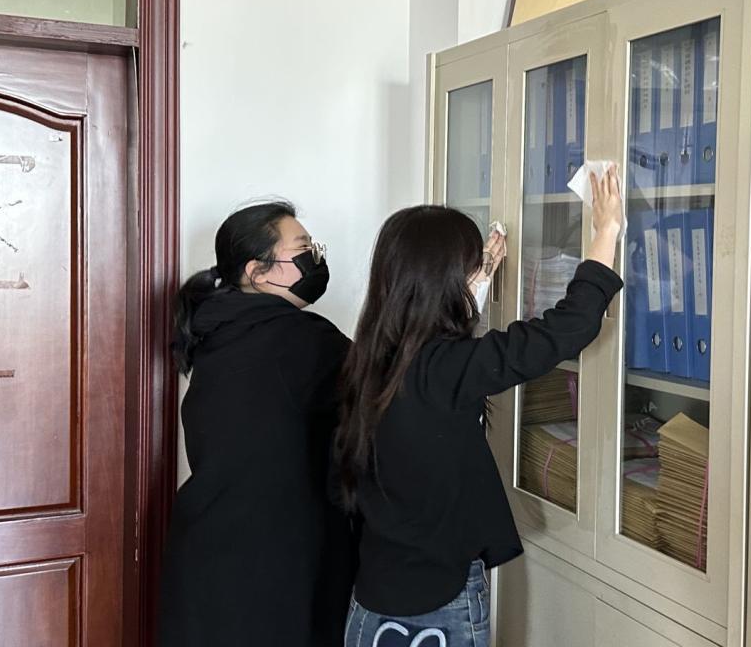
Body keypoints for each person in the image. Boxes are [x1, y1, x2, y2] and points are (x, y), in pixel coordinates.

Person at [336, 167, 625, 647]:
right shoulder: (445, 370)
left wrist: (479, 278)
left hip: (374, 600)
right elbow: (566, 328)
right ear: (444, 281)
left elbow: (447, 346)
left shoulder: (370, 361)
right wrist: (606, 231)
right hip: (435, 608)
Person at [159, 201, 355, 647]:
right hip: (274, 565)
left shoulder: (218, 329)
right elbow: (397, 385)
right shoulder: (298, 338)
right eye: (303, 249)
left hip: (208, 553)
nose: (315, 259)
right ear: (258, 271)